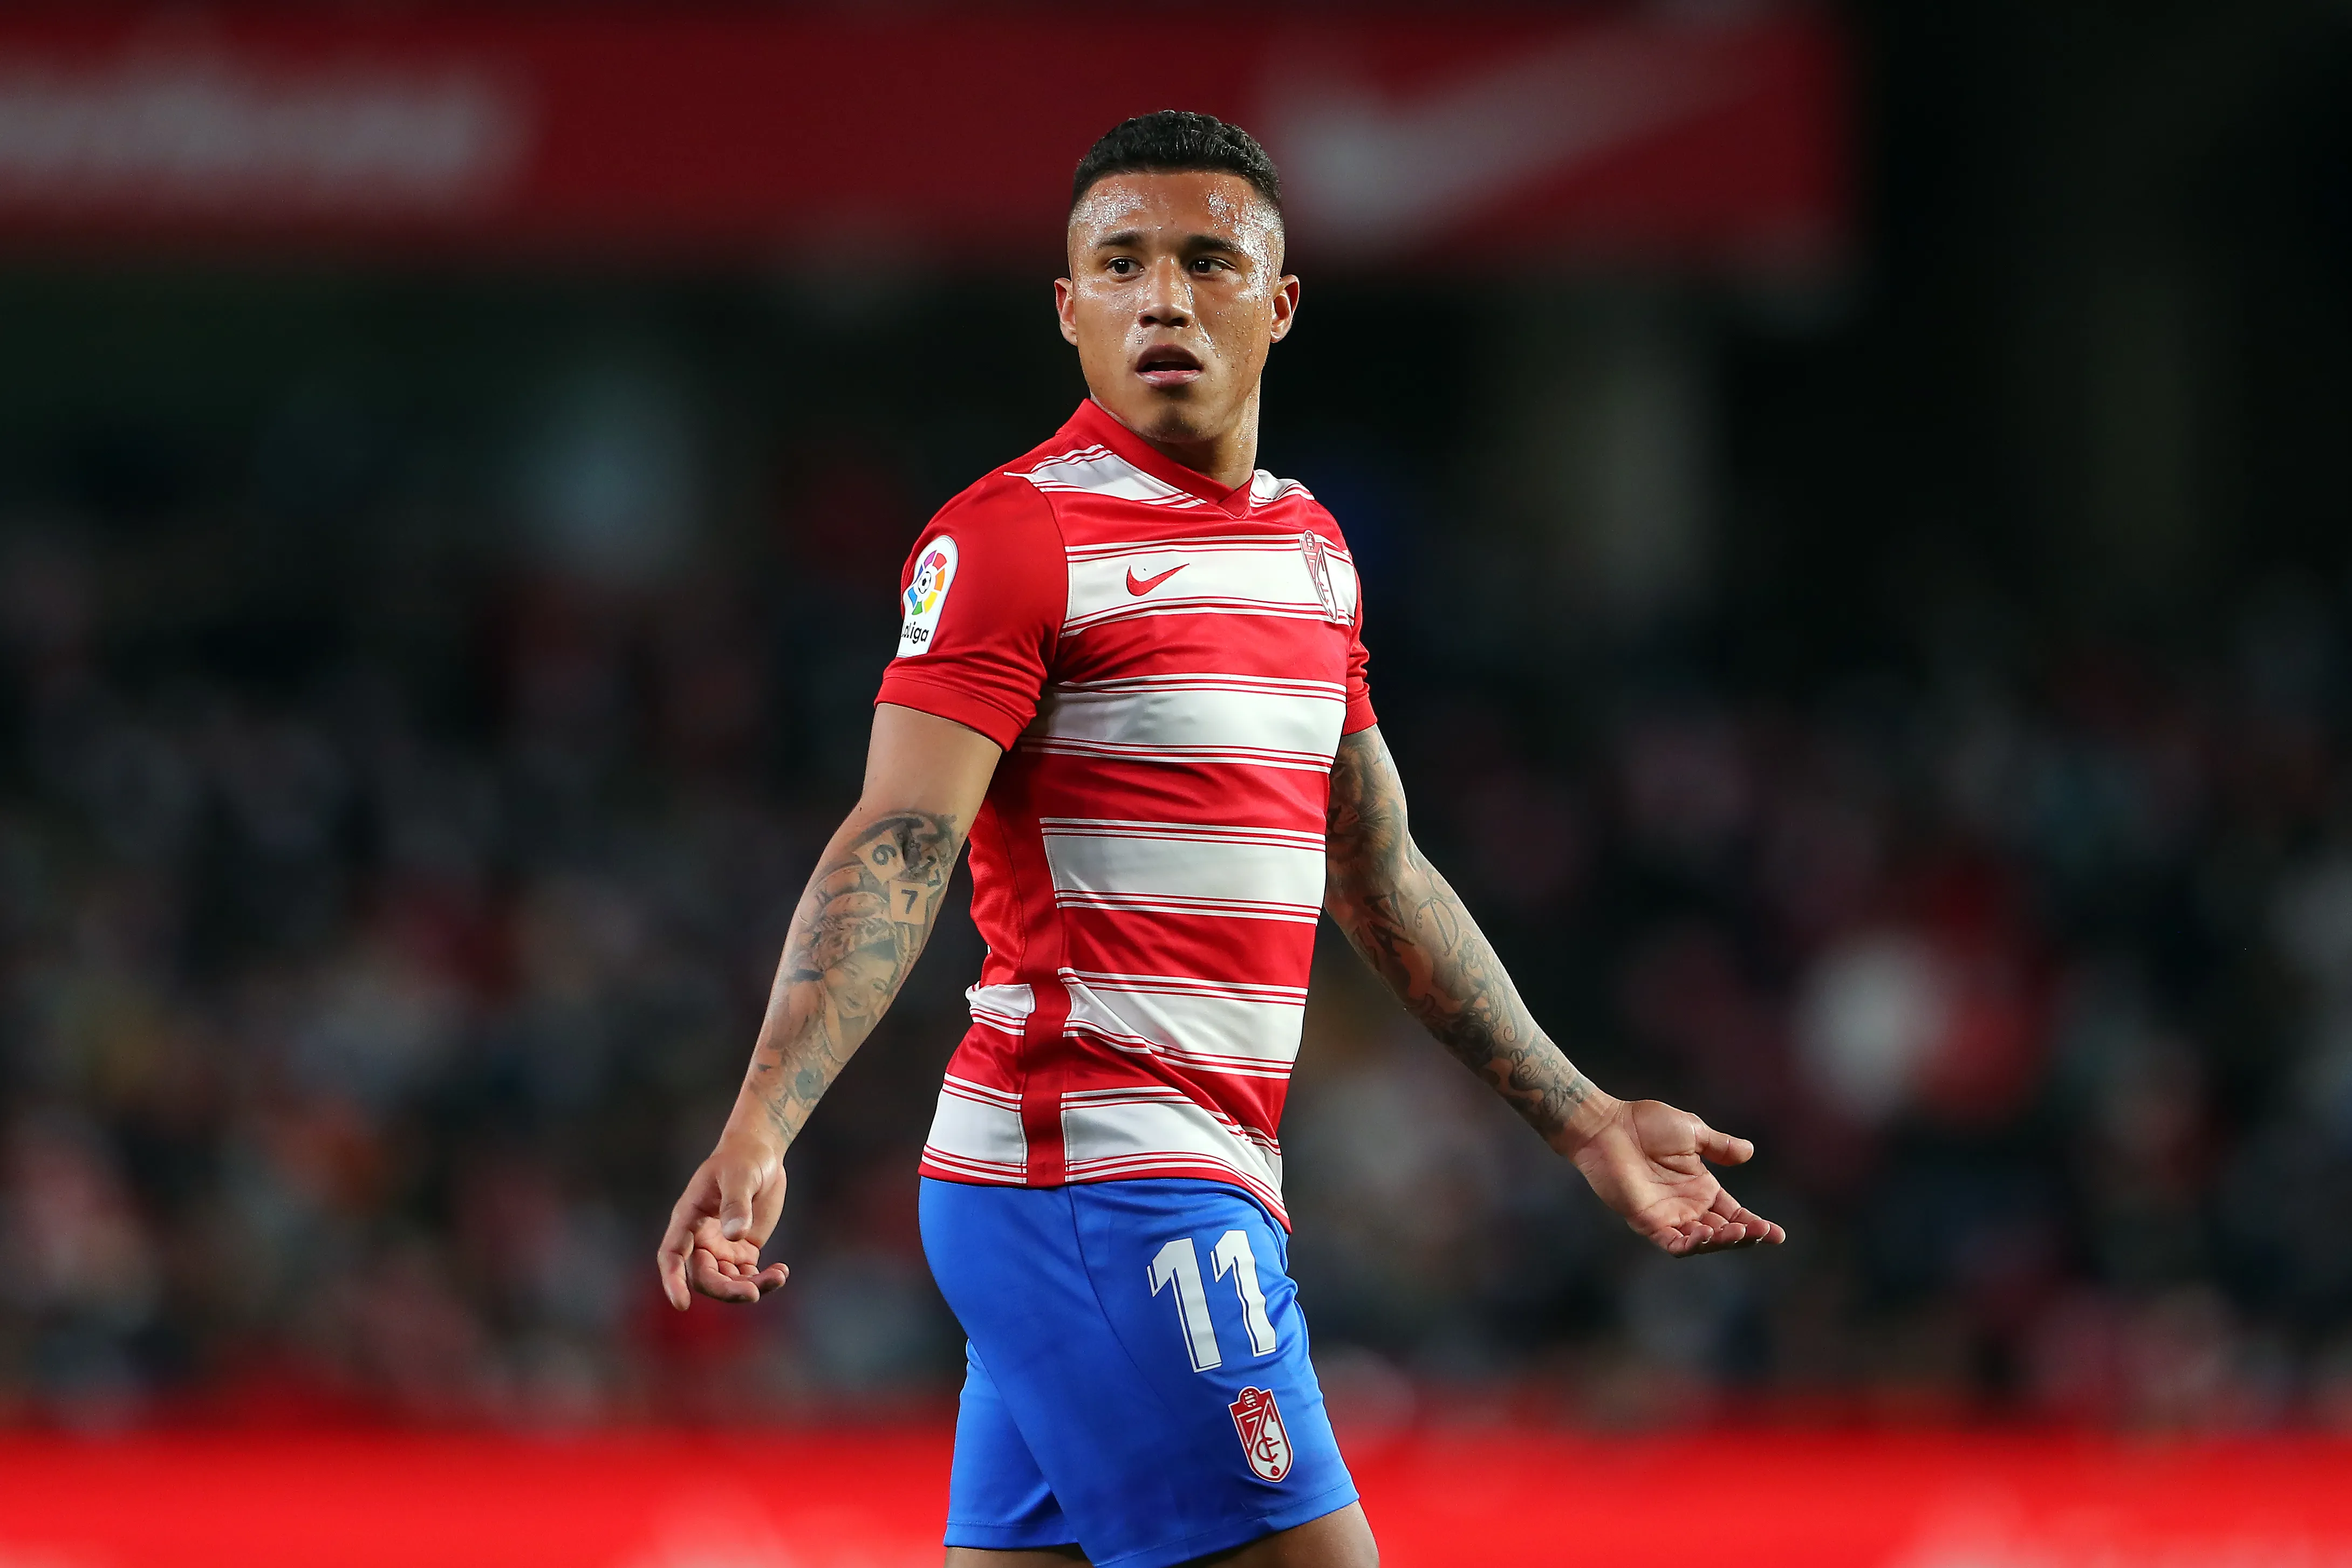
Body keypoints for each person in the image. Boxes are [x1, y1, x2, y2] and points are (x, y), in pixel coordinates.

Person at [657, 109, 1784, 1568]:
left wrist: (1583, 1118)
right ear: (1068, 311)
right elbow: (900, 841)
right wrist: (763, 1119)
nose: (1163, 298)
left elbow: (1377, 870)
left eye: (1206, 259)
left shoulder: (1312, 549)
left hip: (1138, 1187)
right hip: (1103, 1178)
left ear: (1281, 304)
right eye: (1119, 265)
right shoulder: (1014, 537)